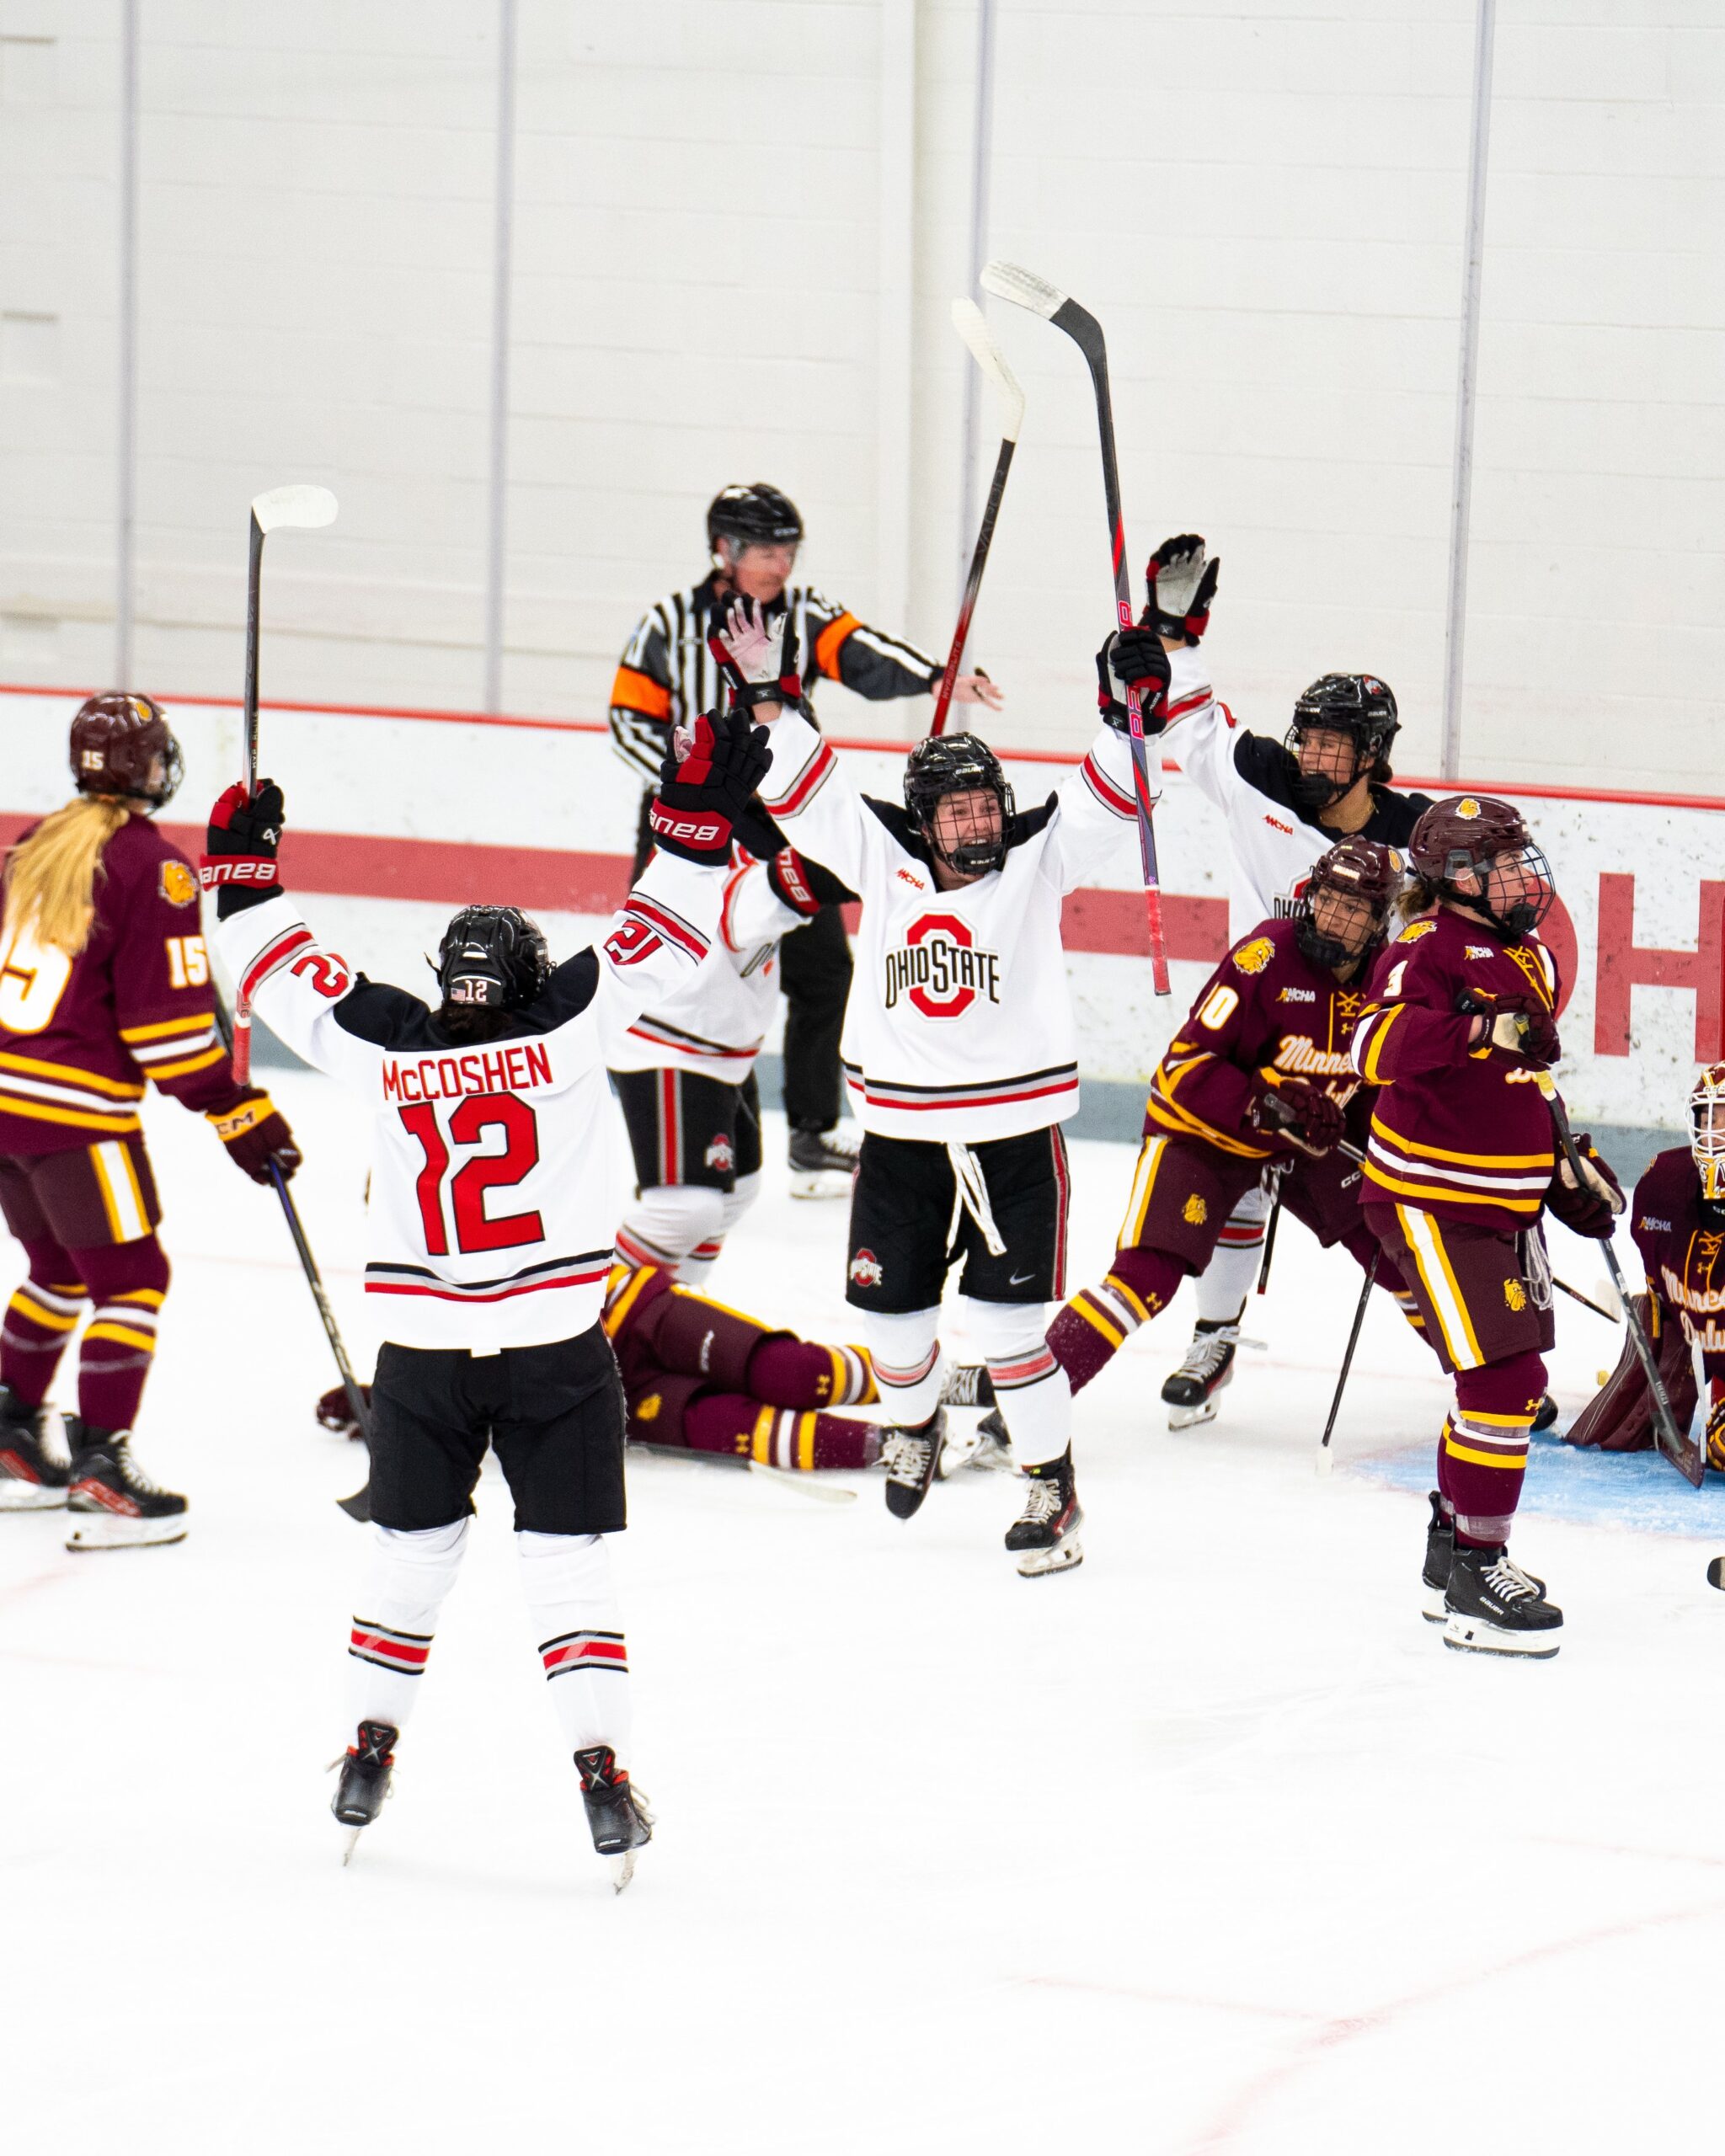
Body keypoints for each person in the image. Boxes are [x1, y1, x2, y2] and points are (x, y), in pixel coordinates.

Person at [204, 708, 766, 1885]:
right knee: (566, 1567)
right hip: (553, 1345)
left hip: (418, 1349)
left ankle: (368, 1750)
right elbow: (655, 933)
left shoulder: (392, 1047)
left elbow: (278, 974)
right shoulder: (564, 1031)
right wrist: (692, 818)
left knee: (412, 1554)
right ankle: (603, 1778)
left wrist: (246, 870)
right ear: (522, 981)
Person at [711, 595, 1146, 1561]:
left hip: (1011, 1139)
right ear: (923, 818)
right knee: (892, 1335)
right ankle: (915, 1425)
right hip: (901, 1141)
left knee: (1007, 1330)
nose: (978, 824)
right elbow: (807, 795)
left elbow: (1103, 801)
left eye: (987, 804)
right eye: (957, 810)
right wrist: (769, 695)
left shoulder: (1035, 858)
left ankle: (1049, 1487)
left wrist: (1120, 715)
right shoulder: (882, 853)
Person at [1102, 539, 1434, 1426]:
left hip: (1362, 1049)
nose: (1314, 755)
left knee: (1392, 1208)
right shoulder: (1261, 778)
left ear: (1371, 754)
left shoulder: (1421, 841)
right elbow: (1187, 724)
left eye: (1335, 743)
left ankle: (1464, 1345)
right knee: (1235, 1179)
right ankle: (1213, 1338)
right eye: (1310, 737)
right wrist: (1170, 634)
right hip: (1263, 1027)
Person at [609, 483, 1002, 1198]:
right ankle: (672, 1112)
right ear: (723, 550)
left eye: (787, 549)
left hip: (781, 818)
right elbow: (627, 721)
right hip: (688, 824)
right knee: (668, 969)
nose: (779, 565)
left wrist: (938, 677)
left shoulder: (803, 612)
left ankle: (813, 1134)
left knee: (823, 972)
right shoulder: (667, 623)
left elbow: (862, 655)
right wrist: (689, 782)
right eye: (764, 550)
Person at [1037, 841, 1425, 1564]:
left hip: (1309, 1147)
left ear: (1381, 923)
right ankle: (1034, 1396)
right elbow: (1182, 1069)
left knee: (1397, 1252)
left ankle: (1485, 1385)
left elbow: (1388, 1078)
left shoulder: (1390, 978)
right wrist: (1268, 1104)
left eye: (1355, 908)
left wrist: (1365, 1128)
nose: (1335, 917)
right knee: (1148, 1274)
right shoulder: (1266, 957)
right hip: (1209, 1133)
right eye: (1329, 900)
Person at [0, 693, 300, 1546]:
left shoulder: (34, 843)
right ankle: (103, 1470)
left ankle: (11, 1441)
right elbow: (164, 1030)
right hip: (77, 1118)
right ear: (152, 767)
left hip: (6, 1109)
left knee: (56, 1267)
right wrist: (235, 1106)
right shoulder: (154, 867)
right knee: (132, 1279)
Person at [1348, 795, 1623, 1657]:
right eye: (1498, 863)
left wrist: (1563, 1164)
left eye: (1516, 860)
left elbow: (1524, 1080)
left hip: (1504, 1201)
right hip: (1430, 1199)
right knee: (1506, 1382)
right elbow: (1372, 1051)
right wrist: (1474, 1026)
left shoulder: (1529, 956)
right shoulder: (1418, 952)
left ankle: (1448, 1548)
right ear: (1453, 877)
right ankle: (1476, 1567)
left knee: (1492, 1385)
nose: (1518, 877)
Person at [607, 837, 852, 1285]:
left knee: (737, 1191)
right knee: (684, 1209)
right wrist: (880, 856)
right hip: (670, 1047)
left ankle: (670, 1314)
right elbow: (771, 892)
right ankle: (584, 1327)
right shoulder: (717, 856)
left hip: (718, 1046)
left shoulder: (715, 837)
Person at [1567, 1063, 1725, 1468]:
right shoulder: (1664, 1184)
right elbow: (1662, 1288)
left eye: (1724, 1119)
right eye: (1707, 1117)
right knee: (1607, 1434)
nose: (1712, 1132)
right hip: (1700, 1341)